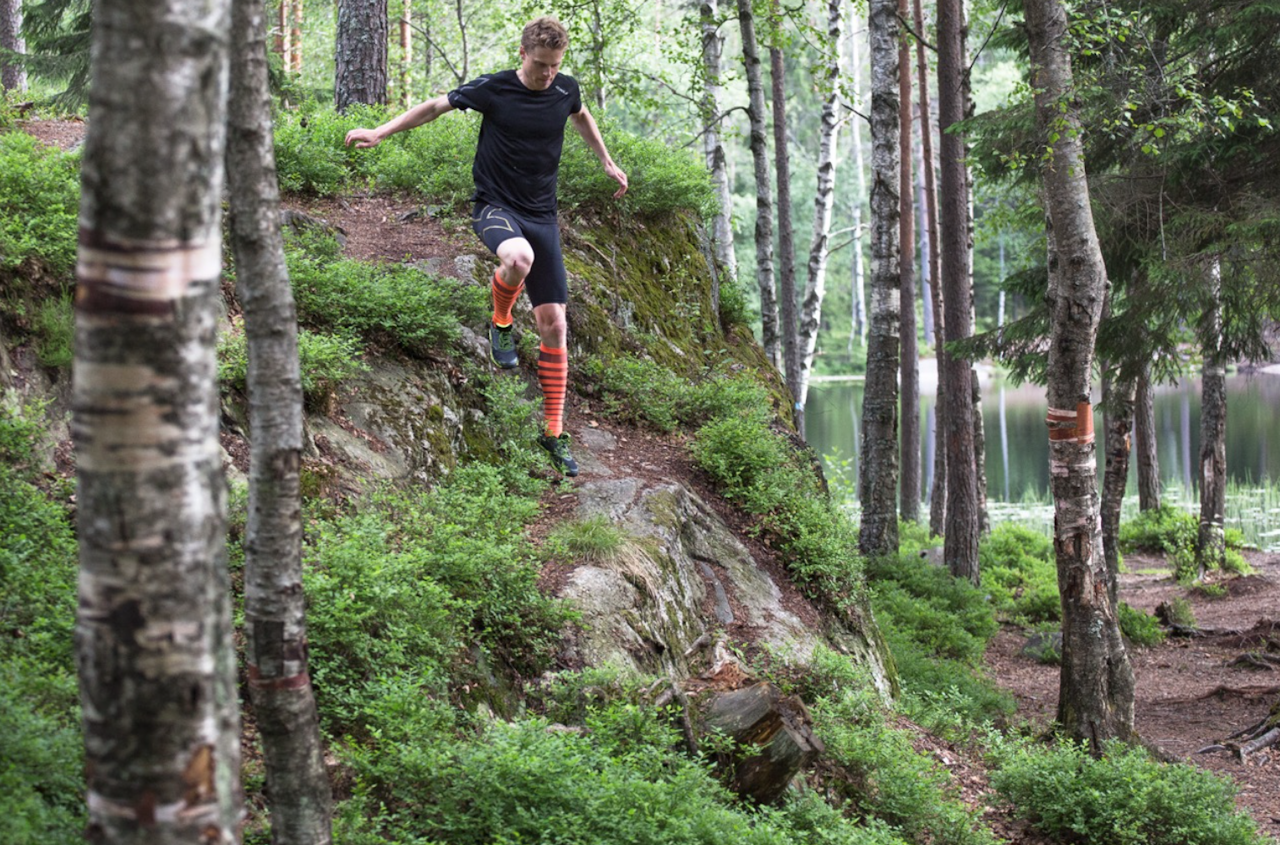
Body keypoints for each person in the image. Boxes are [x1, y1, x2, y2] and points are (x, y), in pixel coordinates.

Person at [345, 17, 627, 477]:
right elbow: (435, 106)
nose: (547, 75)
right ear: (522, 55)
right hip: (495, 206)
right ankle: (500, 320)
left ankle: (553, 432)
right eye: (540, 65)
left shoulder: (564, 89)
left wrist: (607, 162)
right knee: (518, 258)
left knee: (554, 323)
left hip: (541, 216)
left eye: (555, 66)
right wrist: (380, 131)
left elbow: (580, 115)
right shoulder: (495, 89)